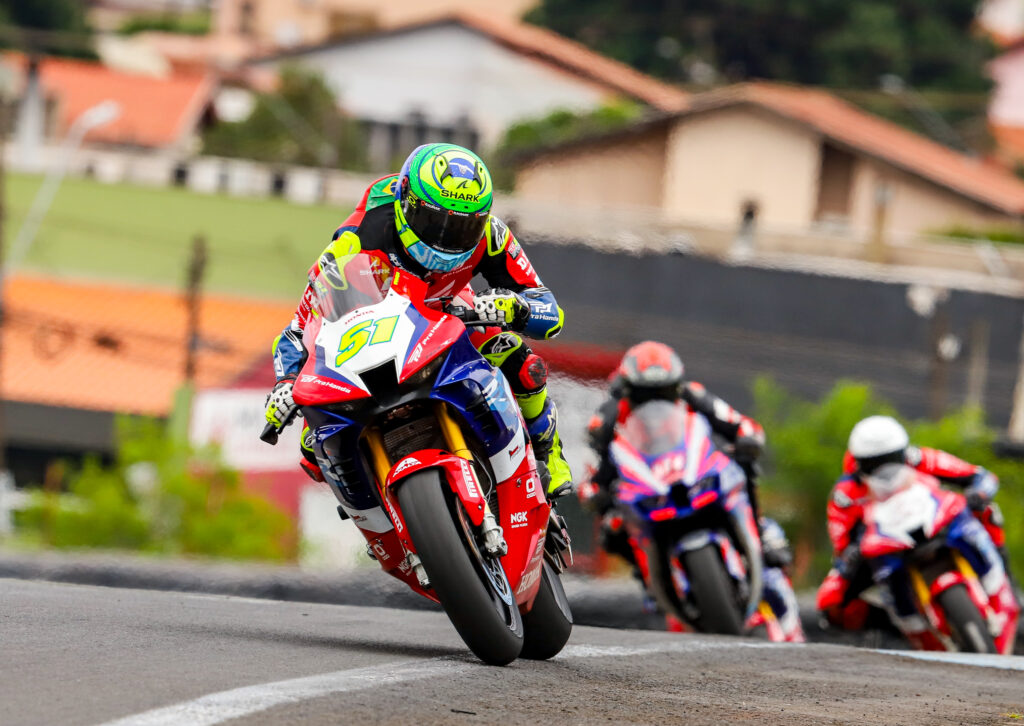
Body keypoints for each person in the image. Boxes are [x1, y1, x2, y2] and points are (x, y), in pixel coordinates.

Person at [263, 143, 572, 497]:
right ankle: (373, 510)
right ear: (406, 203)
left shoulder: (493, 235)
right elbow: (298, 329)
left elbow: (550, 311)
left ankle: (549, 453)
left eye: (463, 227)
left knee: (518, 359)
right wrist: (285, 383)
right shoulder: (356, 239)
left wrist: (515, 308)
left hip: (448, 311)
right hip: (375, 337)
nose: (446, 238)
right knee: (313, 442)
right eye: (435, 222)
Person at [579, 341, 802, 639]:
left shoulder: (693, 394)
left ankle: (758, 531)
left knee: (742, 466)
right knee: (613, 527)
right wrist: (594, 493)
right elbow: (595, 470)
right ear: (627, 389)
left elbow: (737, 423)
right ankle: (649, 580)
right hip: (648, 487)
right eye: (644, 394)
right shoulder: (607, 417)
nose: (654, 401)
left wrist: (748, 438)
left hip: (697, 470)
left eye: (663, 392)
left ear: (676, 385)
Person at [817, 414, 1017, 634]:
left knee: (987, 511)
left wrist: (978, 494)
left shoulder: (919, 458)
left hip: (934, 524)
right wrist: (851, 553)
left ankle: (1007, 585)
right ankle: (895, 630)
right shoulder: (845, 494)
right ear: (858, 463)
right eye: (873, 464)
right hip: (885, 546)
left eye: (891, 458)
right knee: (830, 603)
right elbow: (841, 544)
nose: (884, 469)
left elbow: (981, 476)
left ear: (902, 452)